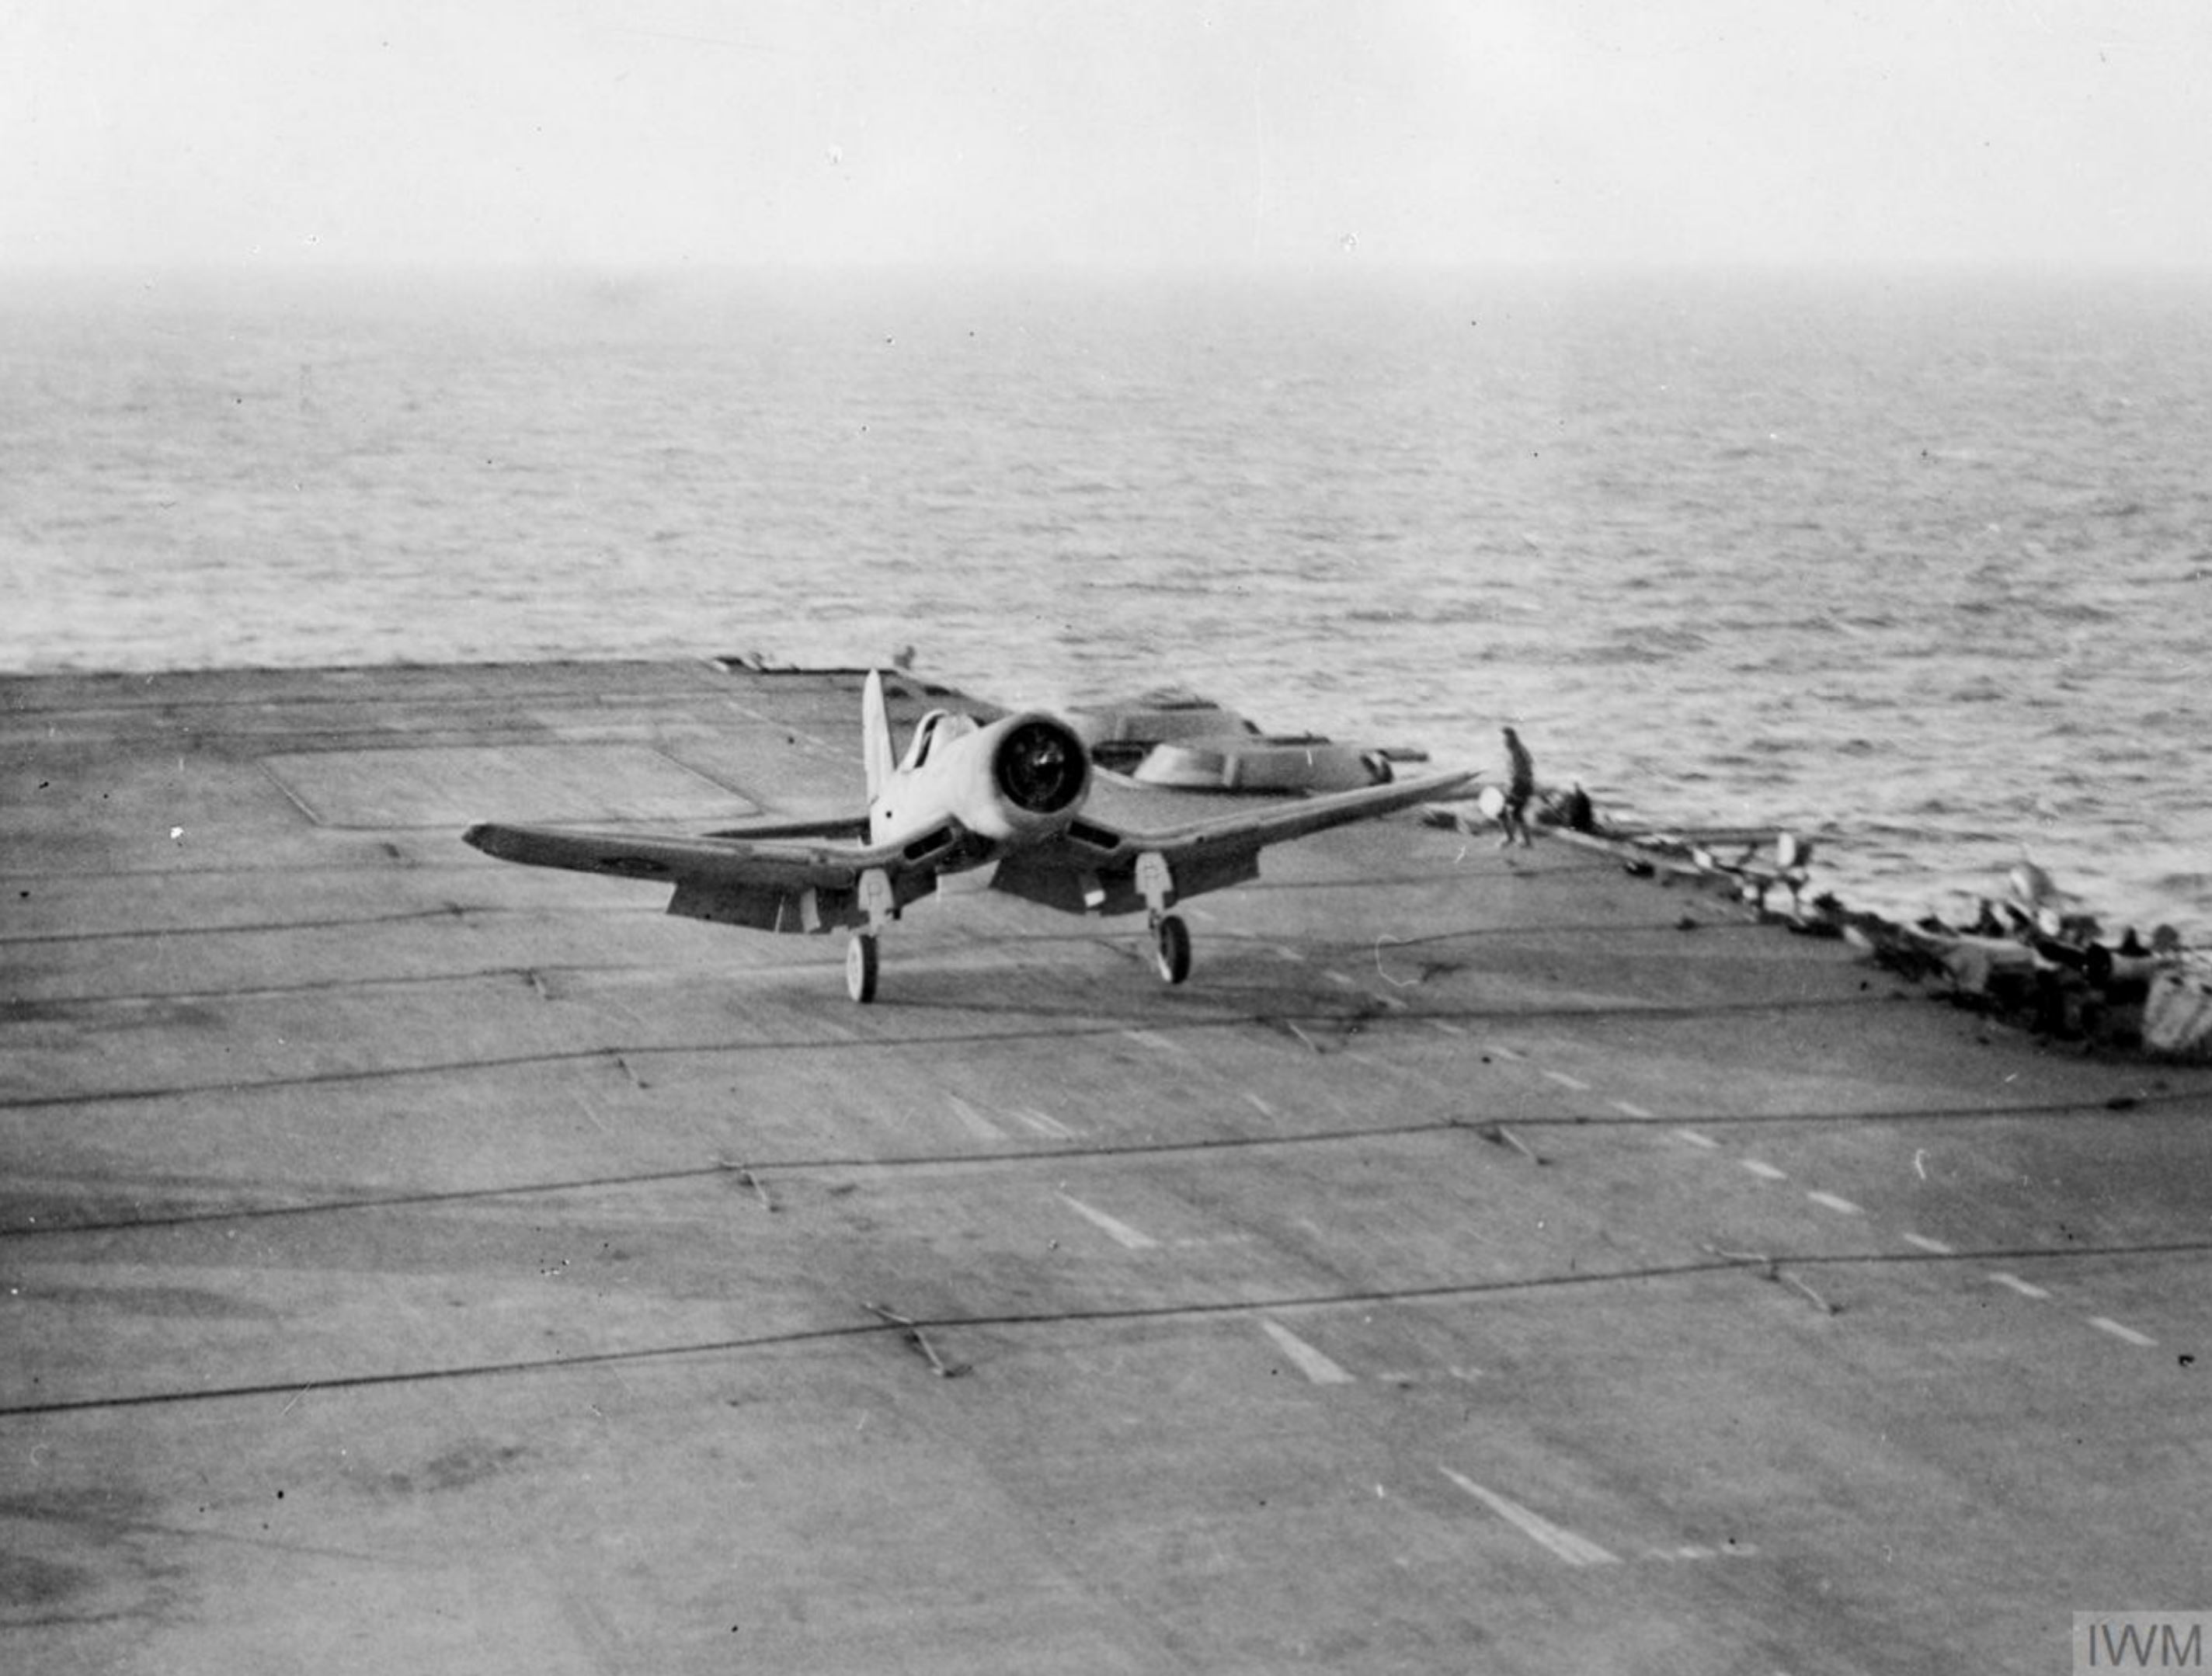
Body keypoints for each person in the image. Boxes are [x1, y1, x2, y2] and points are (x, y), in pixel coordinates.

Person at [1498, 725, 1536, 847]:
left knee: (1503, 812)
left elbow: (1520, 772)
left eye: (1506, 739)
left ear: (1512, 739)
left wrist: (1511, 788)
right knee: (1516, 813)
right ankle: (1525, 841)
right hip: (1523, 786)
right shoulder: (1517, 750)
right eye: (1504, 739)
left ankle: (1511, 838)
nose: (1504, 742)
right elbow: (1529, 765)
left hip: (1520, 786)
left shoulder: (1517, 752)